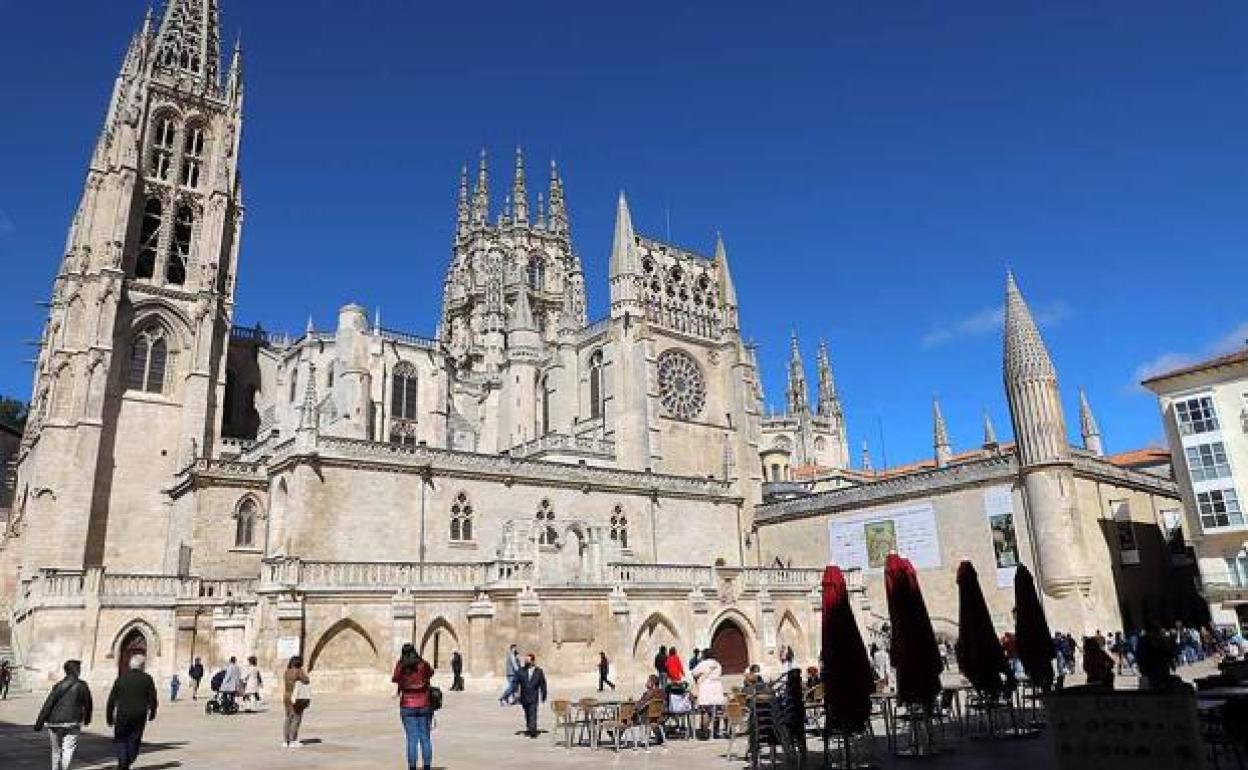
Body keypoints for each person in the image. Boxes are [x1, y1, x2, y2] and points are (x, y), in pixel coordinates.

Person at [34, 659, 93, 770]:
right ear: (77, 671)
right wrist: (87, 719)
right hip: (73, 722)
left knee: (56, 751)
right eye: (79, 669)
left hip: (54, 723)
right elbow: (88, 704)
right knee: (68, 749)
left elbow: (48, 704)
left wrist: (39, 722)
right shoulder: (82, 685)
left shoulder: (58, 685)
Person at [106, 655, 158, 770]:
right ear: (142, 666)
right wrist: (153, 711)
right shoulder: (147, 679)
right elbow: (153, 698)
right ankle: (128, 759)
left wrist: (109, 717)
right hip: (139, 715)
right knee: (134, 738)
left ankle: (122, 760)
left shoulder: (122, 678)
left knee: (120, 738)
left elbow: (112, 699)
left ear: (130, 665)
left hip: (122, 714)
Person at [392, 644, 435, 770]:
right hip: (424, 704)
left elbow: (395, 678)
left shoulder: (401, 665)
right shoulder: (422, 664)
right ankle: (427, 766)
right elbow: (431, 672)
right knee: (425, 738)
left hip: (407, 705)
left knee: (411, 739)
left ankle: (412, 767)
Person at [691, 650, 726, 737]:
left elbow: (694, 673)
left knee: (705, 710)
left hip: (706, 687)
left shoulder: (703, 664)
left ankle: (705, 731)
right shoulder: (717, 664)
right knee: (716, 710)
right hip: (717, 687)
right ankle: (715, 731)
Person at [516, 653, 548, 738]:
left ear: (533, 661)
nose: (526, 662)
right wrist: (515, 693)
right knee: (527, 713)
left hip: (534, 696)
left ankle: (533, 732)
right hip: (524, 696)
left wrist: (543, 694)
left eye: (528, 660)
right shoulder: (521, 670)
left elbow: (543, 684)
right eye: (525, 660)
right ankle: (529, 728)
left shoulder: (539, 671)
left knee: (533, 713)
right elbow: (516, 682)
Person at [283, 655, 311, 748]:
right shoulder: (299, 672)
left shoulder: (287, 672)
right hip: (296, 697)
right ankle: (293, 740)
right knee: (296, 719)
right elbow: (307, 681)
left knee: (288, 718)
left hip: (287, 696)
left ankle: (285, 741)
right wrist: (302, 672)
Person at [634, 674, 666, 746]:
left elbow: (639, 706)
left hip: (646, 718)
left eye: (648, 681)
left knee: (626, 718)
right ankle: (659, 737)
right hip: (660, 718)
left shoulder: (648, 694)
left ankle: (616, 737)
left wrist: (634, 705)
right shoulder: (662, 692)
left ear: (652, 683)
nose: (646, 683)